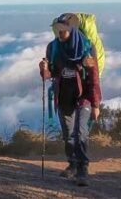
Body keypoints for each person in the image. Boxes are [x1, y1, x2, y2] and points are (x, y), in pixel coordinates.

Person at [39, 14, 101, 187]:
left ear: (72, 29)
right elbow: (50, 73)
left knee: (81, 133)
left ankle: (83, 169)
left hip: (84, 97)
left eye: (63, 30)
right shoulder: (53, 48)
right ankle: (72, 164)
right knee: (68, 135)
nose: (60, 33)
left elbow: (94, 77)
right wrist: (43, 69)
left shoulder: (87, 48)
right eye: (58, 29)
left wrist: (95, 104)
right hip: (64, 96)